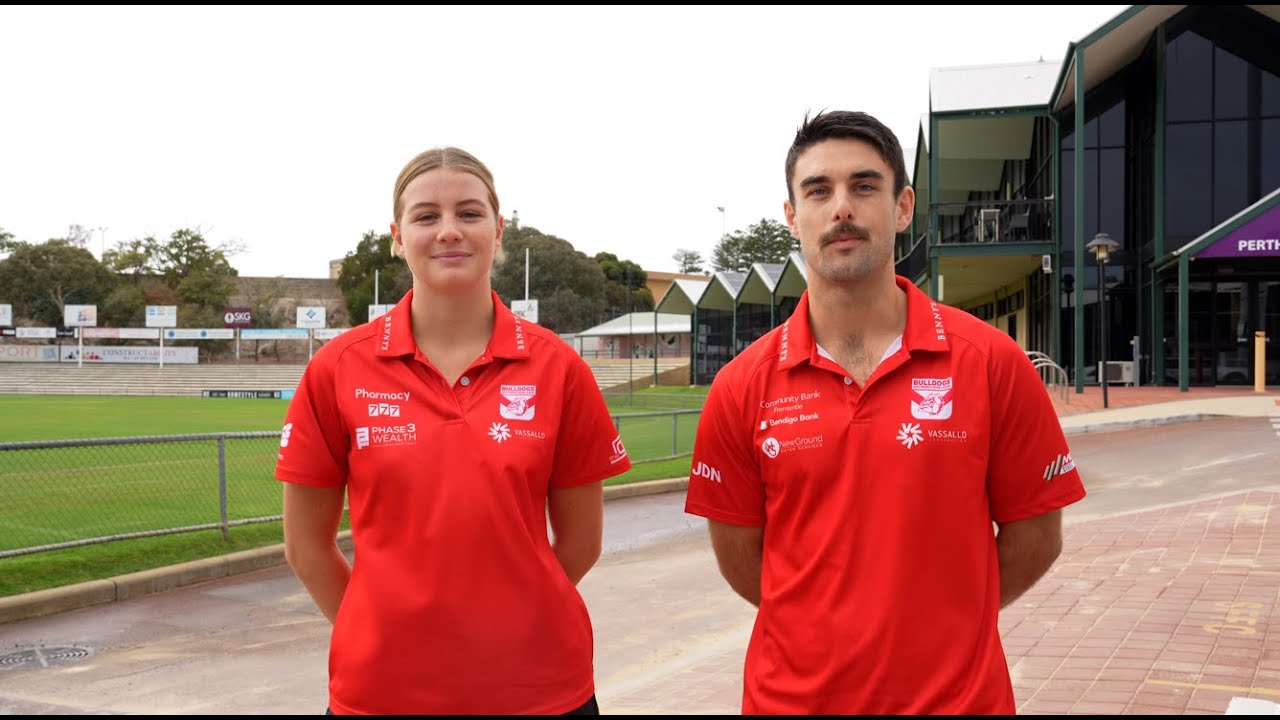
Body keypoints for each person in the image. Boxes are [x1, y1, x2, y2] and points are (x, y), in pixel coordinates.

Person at [683, 110, 1086, 714]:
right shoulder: (743, 386)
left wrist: (945, 623)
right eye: (818, 190)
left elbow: (1036, 537)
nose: (841, 206)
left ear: (902, 208)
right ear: (792, 217)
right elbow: (742, 559)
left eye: (864, 186)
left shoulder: (990, 361)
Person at [276, 146, 631, 715]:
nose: (449, 232)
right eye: (426, 216)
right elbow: (306, 548)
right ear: (397, 235)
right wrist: (384, 632)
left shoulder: (559, 368)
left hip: (540, 690)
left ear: (498, 229)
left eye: (469, 213)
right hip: (382, 693)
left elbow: (581, 544)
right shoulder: (338, 368)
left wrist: (512, 620)